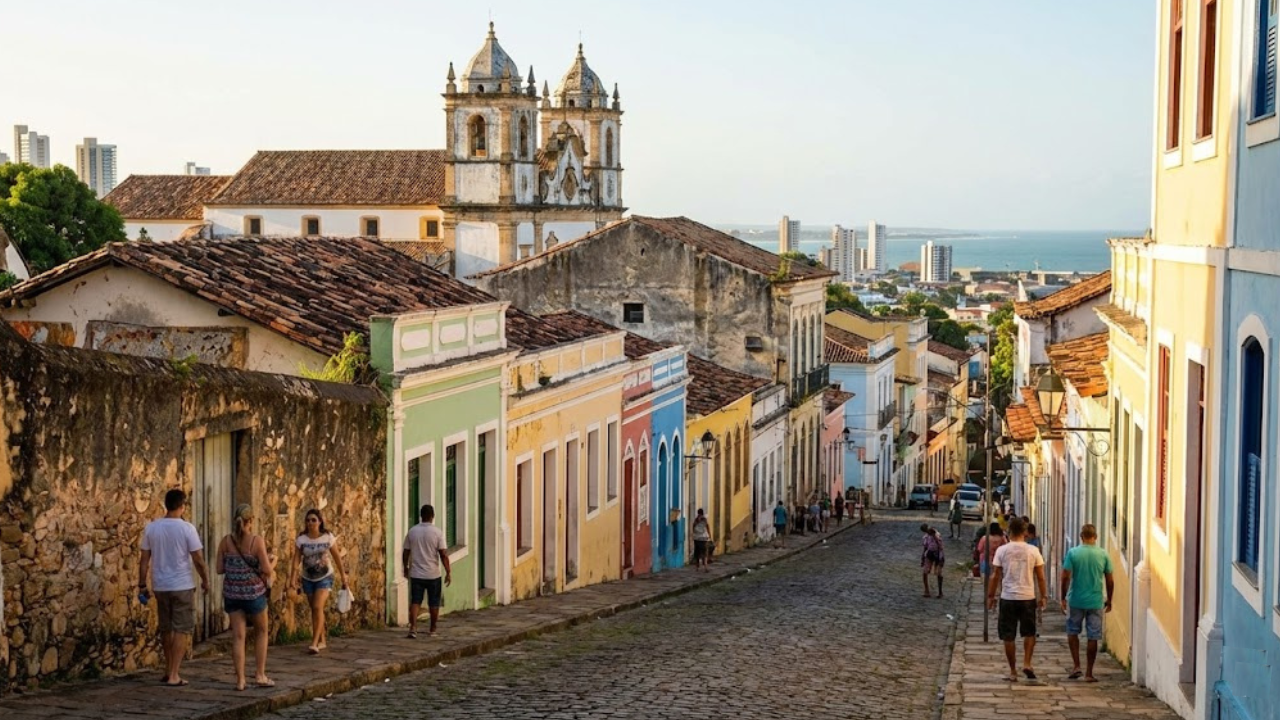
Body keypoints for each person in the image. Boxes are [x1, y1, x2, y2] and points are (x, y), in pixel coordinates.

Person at [138, 488, 210, 687]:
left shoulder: (152, 528)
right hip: (182, 585)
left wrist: (142, 584)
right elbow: (198, 559)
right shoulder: (187, 529)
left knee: (166, 628)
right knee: (181, 629)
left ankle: (168, 669)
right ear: (182, 506)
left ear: (166, 505)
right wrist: (206, 580)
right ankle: (174, 674)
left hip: (160, 586)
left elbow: (144, 560)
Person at [216, 504, 274, 690]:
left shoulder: (225, 542)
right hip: (254, 594)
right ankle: (260, 674)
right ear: (250, 521)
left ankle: (240, 680)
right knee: (262, 631)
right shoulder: (256, 541)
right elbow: (266, 570)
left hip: (233, 594)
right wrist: (275, 561)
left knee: (238, 637)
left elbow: (219, 569)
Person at [987, 517, 1048, 682]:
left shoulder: (1002, 551)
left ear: (1009, 531)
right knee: (1029, 632)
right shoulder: (1033, 551)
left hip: (1008, 597)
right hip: (1028, 596)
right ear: (1025, 532)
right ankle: (1027, 663)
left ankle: (1013, 671)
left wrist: (991, 596)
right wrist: (1044, 596)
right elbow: (1041, 577)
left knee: (1008, 635)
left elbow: (995, 575)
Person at [289, 508, 349, 655]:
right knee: (315, 610)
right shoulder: (302, 539)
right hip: (308, 578)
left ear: (320, 521)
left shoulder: (327, 537)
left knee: (317, 606)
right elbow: (296, 559)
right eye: (308, 520)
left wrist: (343, 576)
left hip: (325, 577)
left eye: (313, 520)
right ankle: (322, 639)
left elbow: (336, 557)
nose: (310, 523)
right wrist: (292, 578)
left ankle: (314, 643)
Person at [1061, 524, 1114, 682]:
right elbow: (1110, 580)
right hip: (1095, 600)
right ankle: (1089, 673)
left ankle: (1076, 665)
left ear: (1081, 537)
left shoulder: (1073, 553)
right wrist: (1110, 599)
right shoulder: (1103, 554)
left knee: (1073, 632)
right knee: (1093, 636)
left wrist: (1063, 597)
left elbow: (1065, 577)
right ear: (1095, 537)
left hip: (1076, 599)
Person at [403, 504, 452, 638]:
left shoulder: (412, 531)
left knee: (415, 601)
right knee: (434, 603)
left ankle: (413, 628)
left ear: (421, 516)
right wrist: (448, 571)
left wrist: (405, 568)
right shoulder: (437, 533)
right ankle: (433, 629)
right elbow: (443, 554)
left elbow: (406, 552)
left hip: (416, 573)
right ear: (432, 516)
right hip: (433, 574)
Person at [921, 524, 945, 598]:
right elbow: (925, 547)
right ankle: (926, 590)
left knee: (939, 573)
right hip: (929, 554)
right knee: (925, 572)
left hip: (938, 554)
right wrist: (922, 557)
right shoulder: (925, 537)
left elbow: (941, 546)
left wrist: (934, 535)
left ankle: (940, 592)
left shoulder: (937, 534)